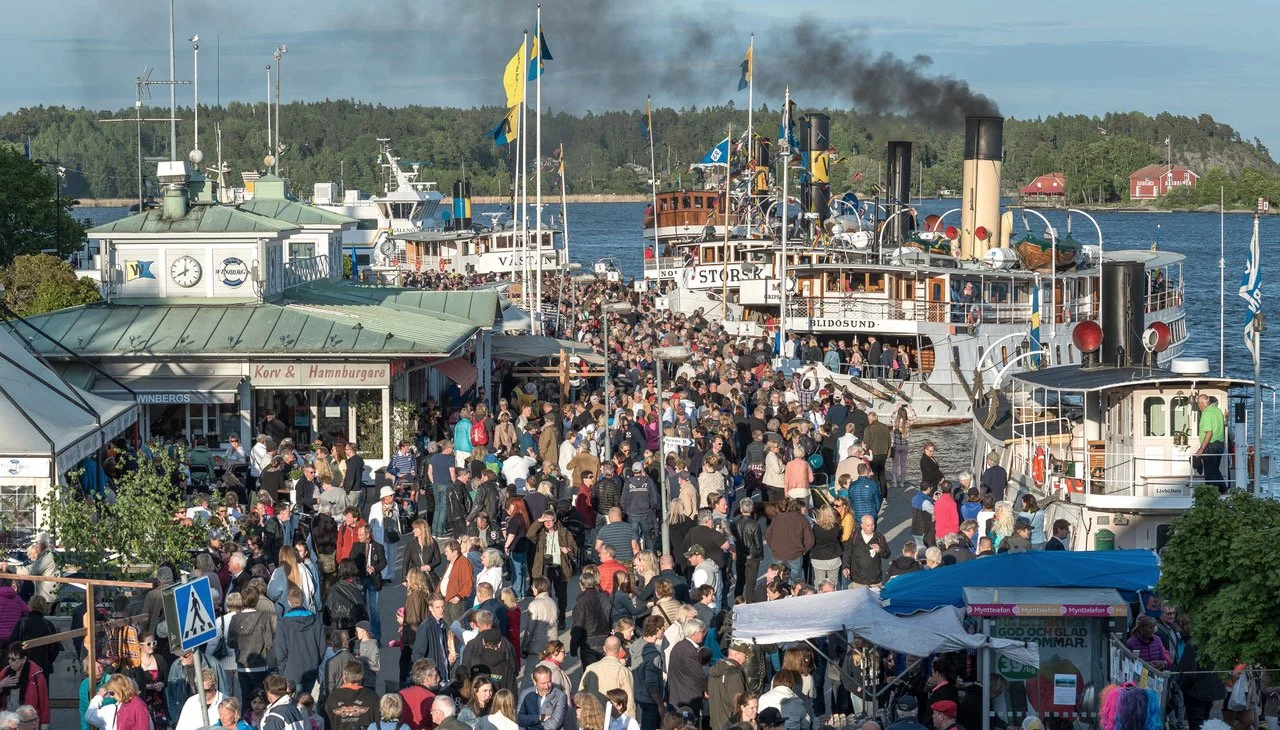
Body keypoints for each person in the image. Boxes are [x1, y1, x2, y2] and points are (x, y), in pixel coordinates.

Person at [580, 636, 634, 717]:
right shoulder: (623, 671)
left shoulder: (590, 668)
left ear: (604, 649)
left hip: (594, 717)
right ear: (620, 650)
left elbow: (581, 694)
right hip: (615, 718)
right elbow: (629, 701)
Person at [667, 619, 708, 719]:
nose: (704, 634)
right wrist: (706, 690)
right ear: (694, 633)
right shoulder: (689, 650)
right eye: (702, 631)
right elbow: (698, 674)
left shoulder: (679, 646)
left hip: (677, 695)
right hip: (688, 698)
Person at [0, 646, 47, 727]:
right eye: (9, 658)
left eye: (13, 659)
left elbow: (44, 703)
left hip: (27, 723)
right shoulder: (5, 672)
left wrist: (44, 724)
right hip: (8, 723)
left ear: (24, 659)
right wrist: (1, 684)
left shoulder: (36, 675)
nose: (10, 661)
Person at [325, 660, 379, 730]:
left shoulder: (332, 697)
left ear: (344, 676)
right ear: (361, 676)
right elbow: (379, 724)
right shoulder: (372, 697)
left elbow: (327, 725)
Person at [709, 642, 750, 730]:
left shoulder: (714, 669)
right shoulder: (734, 673)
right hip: (731, 724)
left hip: (716, 723)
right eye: (745, 655)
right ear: (736, 654)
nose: (747, 658)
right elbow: (739, 703)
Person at [516, 665, 569, 730]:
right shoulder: (525, 694)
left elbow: (554, 724)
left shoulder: (560, 696)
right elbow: (519, 718)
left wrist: (530, 727)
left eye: (549, 682)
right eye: (543, 683)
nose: (546, 686)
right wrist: (538, 718)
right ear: (534, 682)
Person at [1194, 393, 1227, 492]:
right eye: (1198, 403)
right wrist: (1227, 417)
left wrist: (1201, 448)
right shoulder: (1218, 410)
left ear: (1205, 403)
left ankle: (1223, 490)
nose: (1199, 405)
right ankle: (1217, 492)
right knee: (1214, 469)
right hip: (1220, 445)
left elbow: (1209, 432)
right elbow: (1224, 424)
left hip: (1211, 446)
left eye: (1200, 403)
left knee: (1210, 472)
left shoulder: (1206, 413)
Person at [399, 659, 440, 730]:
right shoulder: (432, 698)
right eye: (435, 676)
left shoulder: (401, 694)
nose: (438, 679)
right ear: (427, 679)